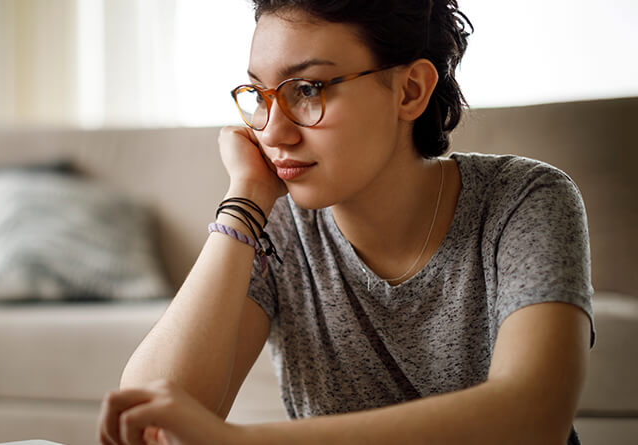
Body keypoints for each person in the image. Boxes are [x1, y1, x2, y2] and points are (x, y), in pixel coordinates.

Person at [97, 0, 594, 444]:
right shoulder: (275, 226)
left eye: (307, 89)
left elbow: (534, 419)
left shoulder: (525, 200)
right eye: (260, 94)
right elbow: (147, 423)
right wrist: (244, 196)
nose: (274, 130)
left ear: (410, 91)